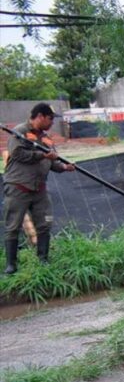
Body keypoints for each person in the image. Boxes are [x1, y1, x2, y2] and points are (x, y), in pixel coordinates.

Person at [4, 103, 76, 275]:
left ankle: (43, 261)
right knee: (13, 226)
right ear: (40, 116)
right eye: (50, 118)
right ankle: (11, 266)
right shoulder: (19, 132)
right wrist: (42, 155)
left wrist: (64, 167)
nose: (52, 122)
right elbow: (18, 154)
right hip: (18, 187)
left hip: (40, 190)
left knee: (45, 224)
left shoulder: (46, 139)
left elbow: (52, 162)